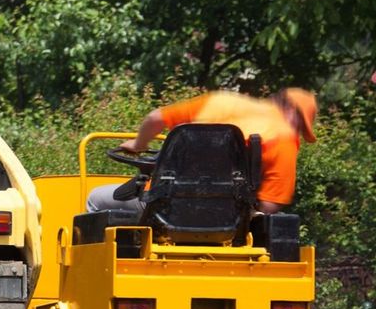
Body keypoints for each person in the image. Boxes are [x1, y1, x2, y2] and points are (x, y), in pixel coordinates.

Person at [89, 88, 318, 215]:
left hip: (166, 206)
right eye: (301, 124)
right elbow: (270, 205)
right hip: (229, 218)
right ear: (290, 110)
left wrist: (138, 145)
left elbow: (155, 118)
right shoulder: (284, 139)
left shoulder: (222, 102)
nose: (297, 130)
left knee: (95, 199)